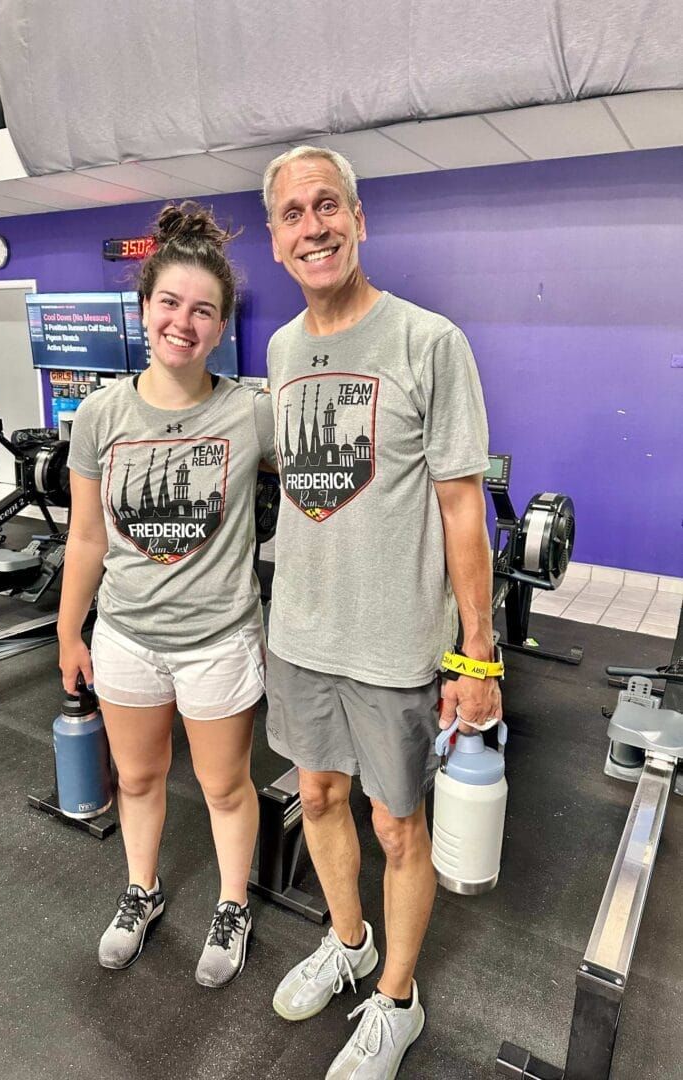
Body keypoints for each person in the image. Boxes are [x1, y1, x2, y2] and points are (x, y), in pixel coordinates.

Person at [261, 147, 502, 1078]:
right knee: (316, 797)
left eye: (329, 207)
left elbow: (460, 510)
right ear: (278, 238)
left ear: (360, 221)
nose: (313, 225)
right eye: (293, 213)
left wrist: (476, 660)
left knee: (398, 825)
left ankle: (397, 997)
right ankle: (350, 942)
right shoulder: (282, 350)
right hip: (302, 637)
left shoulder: (428, 342)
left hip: (396, 647)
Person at [58, 202, 275, 988]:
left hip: (218, 639)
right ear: (146, 309)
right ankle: (141, 891)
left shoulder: (251, 413)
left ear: (220, 328)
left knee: (223, 785)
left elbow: (332, 490)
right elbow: (86, 536)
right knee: (139, 780)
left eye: (203, 311)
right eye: (171, 304)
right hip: (125, 636)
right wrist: (67, 629)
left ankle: (230, 904)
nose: (184, 322)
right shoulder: (100, 415)